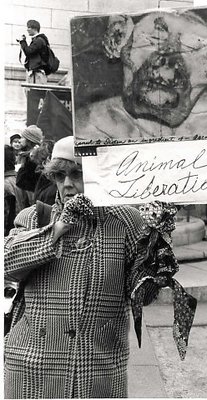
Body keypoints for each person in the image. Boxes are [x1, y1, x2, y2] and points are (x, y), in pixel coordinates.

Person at [4, 136, 196, 399]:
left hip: (96, 370)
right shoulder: (34, 218)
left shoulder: (126, 222)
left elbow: (143, 296)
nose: (68, 184)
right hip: (32, 365)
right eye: (60, 176)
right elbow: (7, 264)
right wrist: (57, 230)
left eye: (77, 174)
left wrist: (155, 243)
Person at [74, 8, 207, 144]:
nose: (168, 55)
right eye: (153, 39)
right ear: (117, 40)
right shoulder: (88, 125)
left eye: (193, 48)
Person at [4, 145, 29, 236]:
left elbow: (5, 218)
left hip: (9, 235)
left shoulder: (5, 185)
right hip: (21, 230)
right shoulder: (20, 179)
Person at [16, 125, 44, 204]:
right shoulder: (26, 155)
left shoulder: (34, 158)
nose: (19, 140)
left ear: (29, 140)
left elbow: (23, 180)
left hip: (32, 195)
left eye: (22, 138)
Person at [17, 19, 49, 84]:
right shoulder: (38, 40)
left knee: (36, 93)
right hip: (35, 73)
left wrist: (23, 42)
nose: (27, 29)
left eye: (29, 27)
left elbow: (29, 51)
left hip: (37, 74)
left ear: (34, 28)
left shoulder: (39, 40)